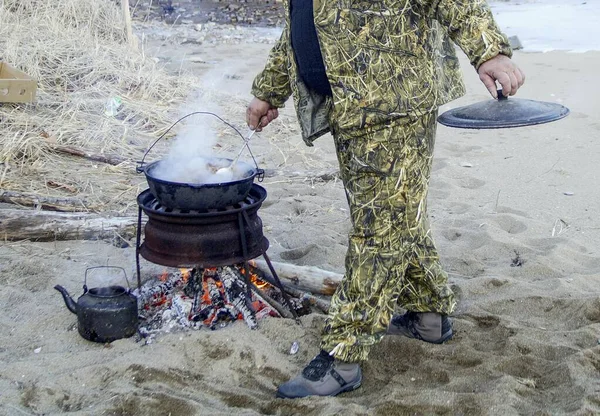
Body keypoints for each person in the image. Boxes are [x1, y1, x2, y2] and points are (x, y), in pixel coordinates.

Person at [246, 0, 525, 399]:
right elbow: (303, 23)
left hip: (395, 106)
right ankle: (429, 315)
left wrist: (489, 51)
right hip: (349, 108)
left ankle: (342, 358)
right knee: (397, 215)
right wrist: (269, 92)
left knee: (378, 231)